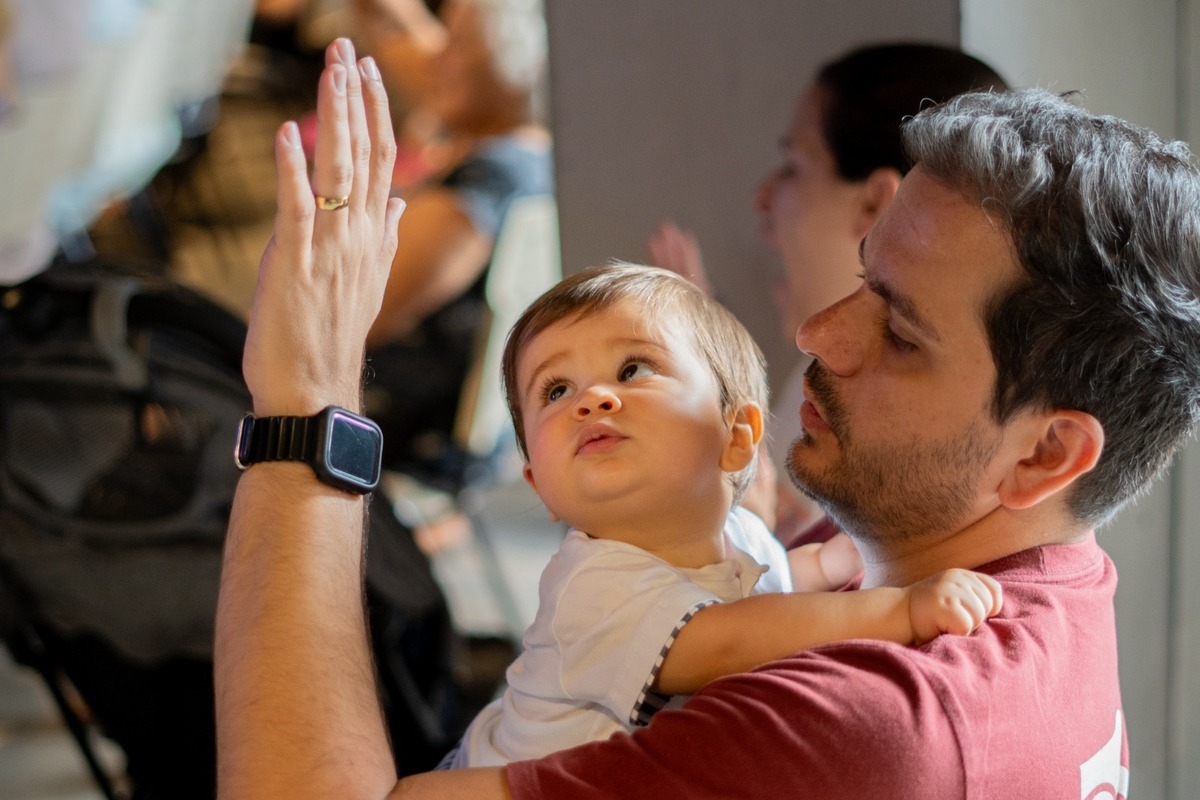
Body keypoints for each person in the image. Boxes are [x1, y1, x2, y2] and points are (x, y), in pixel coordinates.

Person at [215, 39, 1200, 798]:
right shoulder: (1058, 584)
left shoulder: (873, 729)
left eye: (900, 331)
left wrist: (309, 400)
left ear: (1048, 452)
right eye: (866, 276)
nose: (819, 332)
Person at [441, 262, 1000, 768]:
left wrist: (839, 559)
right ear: (540, 486)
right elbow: (729, 640)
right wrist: (900, 609)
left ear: (735, 439)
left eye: (632, 369)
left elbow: (774, 584)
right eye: (556, 389)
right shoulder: (589, 588)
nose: (592, 399)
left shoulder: (741, 532)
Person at [651, 44, 1008, 544]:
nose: (762, 197)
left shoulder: (898, 445)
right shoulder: (826, 380)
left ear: (875, 204)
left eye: (793, 167)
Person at [355, 0, 554, 486]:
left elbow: (357, 313)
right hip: (466, 438)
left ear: (511, 67)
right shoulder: (535, 163)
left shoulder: (487, 183)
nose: (438, 59)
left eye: (458, 46)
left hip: (401, 435)